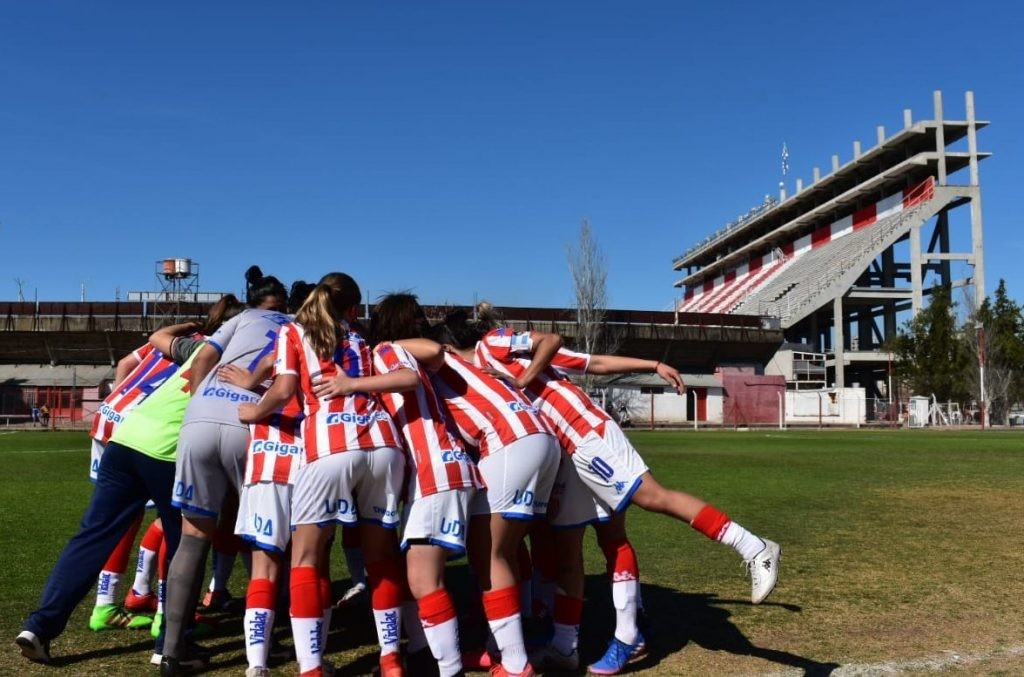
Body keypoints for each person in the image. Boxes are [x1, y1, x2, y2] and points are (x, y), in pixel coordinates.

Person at [470, 309, 781, 675]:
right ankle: (566, 646)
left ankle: (754, 546)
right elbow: (595, 362)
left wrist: (522, 381)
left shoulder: (491, 346)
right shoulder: (475, 373)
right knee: (570, 545)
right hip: (567, 455)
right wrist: (652, 364)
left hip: (587, 435)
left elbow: (556, 344)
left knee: (651, 498)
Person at [16, 296, 245, 668]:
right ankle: (171, 643)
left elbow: (154, 341)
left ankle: (39, 626)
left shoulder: (197, 346)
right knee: (186, 544)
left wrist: (184, 328)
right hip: (168, 452)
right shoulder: (239, 358)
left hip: (125, 438)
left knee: (92, 536)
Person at [239, 273, 407, 677]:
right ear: (351, 307)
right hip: (383, 443)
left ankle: (311, 667)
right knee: (381, 557)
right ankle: (391, 659)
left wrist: (252, 411)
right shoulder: (361, 337)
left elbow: (282, 390)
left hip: (330, 447)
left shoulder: (295, 332)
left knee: (307, 558)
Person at [313, 293, 484, 677]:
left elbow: (407, 378)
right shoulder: (406, 356)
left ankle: (449, 668)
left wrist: (351, 384)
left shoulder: (389, 352)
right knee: (415, 572)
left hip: (434, 471)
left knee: (424, 578)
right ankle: (423, 653)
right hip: (440, 471)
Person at [159, 266, 291, 676]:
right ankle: (264, 646)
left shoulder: (239, 318)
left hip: (199, 417)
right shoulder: (295, 324)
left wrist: (201, 397)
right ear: (283, 302)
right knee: (259, 534)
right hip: (248, 420)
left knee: (193, 536)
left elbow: (205, 355)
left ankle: (172, 652)